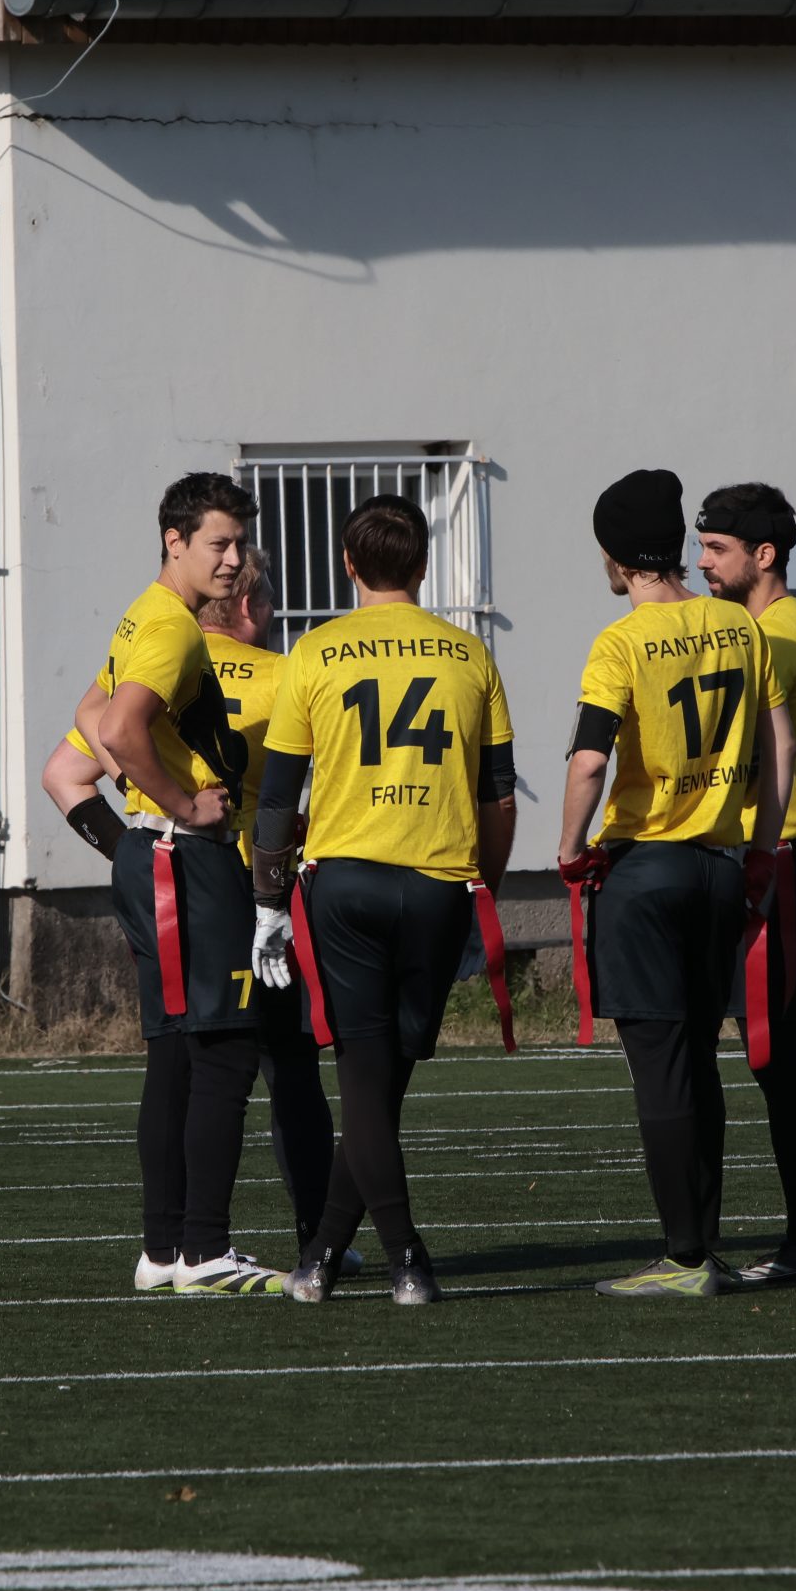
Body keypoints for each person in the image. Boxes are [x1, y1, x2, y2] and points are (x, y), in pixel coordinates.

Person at [250, 494, 517, 1306]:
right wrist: (485, 885)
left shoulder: (315, 650)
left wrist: (267, 900)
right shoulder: (469, 654)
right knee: (381, 1084)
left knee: (369, 1086)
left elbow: (277, 797)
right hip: (438, 881)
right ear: (425, 564)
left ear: (347, 563)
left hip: (347, 884)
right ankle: (323, 1258)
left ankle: (404, 1259)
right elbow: (500, 796)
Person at [44, 547, 342, 1271]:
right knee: (283, 1069)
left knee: (174, 1062)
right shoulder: (283, 674)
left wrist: (133, 850)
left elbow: (63, 774)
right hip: (248, 890)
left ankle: (166, 1243)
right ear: (248, 604)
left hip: (169, 881)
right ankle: (314, 1238)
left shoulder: (161, 665)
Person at [554, 471, 790, 1298]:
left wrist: (569, 848)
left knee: (659, 1066)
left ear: (618, 557)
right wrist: (762, 848)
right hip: (721, 865)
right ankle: (705, 1248)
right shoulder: (737, 623)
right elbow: (780, 746)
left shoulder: (620, 641)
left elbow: (590, 761)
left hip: (646, 868)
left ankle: (684, 1258)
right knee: (700, 1059)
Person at [85, 473, 288, 1296]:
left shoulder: (145, 611)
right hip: (185, 858)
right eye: (219, 543)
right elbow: (117, 724)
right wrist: (180, 803)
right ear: (175, 541)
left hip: (155, 855)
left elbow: (91, 714)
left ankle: (165, 1249)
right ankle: (204, 1250)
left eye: (240, 543)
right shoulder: (170, 625)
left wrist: (145, 801)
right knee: (226, 1048)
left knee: (174, 1055)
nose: (234, 559)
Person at [697, 482, 796, 1285]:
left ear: (765, 554)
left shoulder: (775, 639)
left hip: (777, 860)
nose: (702, 562)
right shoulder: (783, 627)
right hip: (778, 857)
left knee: (778, 1055)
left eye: (717, 548)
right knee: (779, 1056)